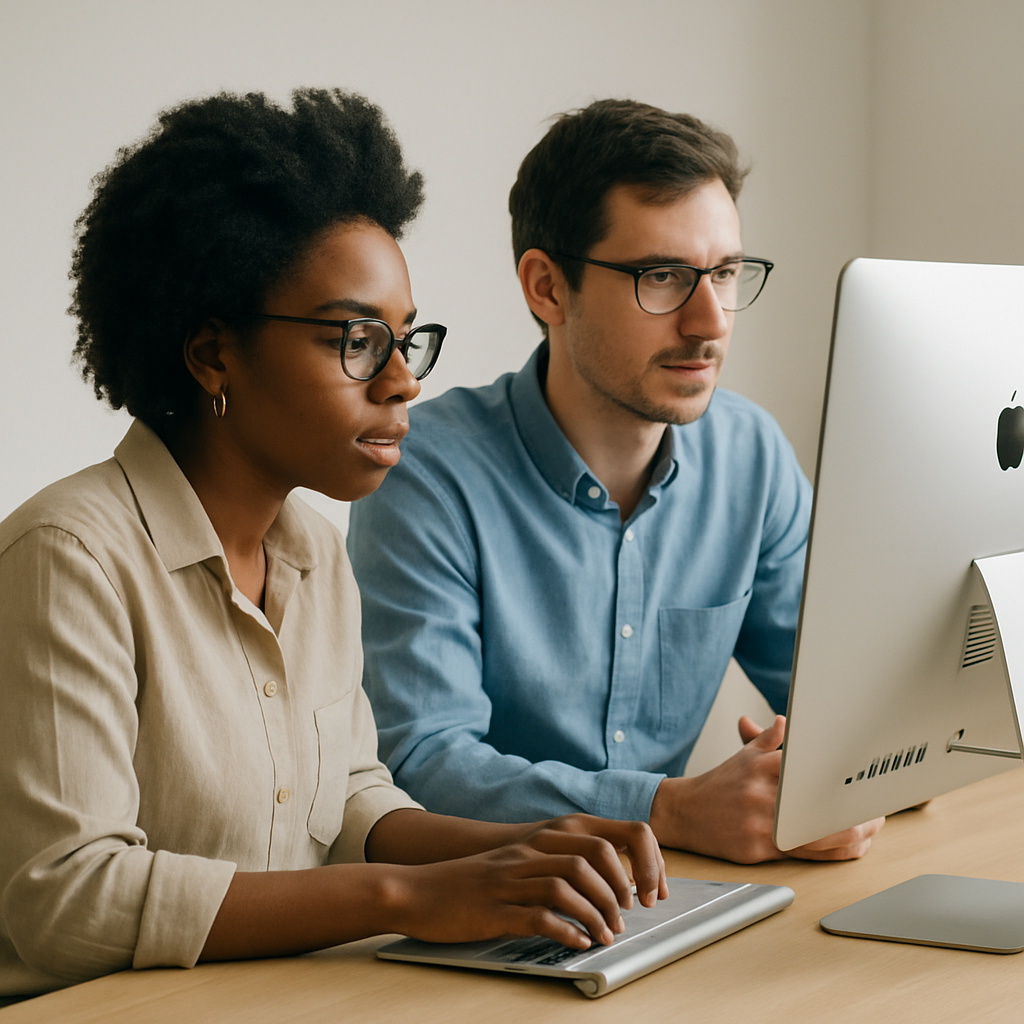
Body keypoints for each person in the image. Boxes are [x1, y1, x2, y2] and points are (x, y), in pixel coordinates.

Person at [0, 89, 667, 1002]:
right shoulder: (67, 558)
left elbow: (348, 799)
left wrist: (526, 850)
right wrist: (413, 897)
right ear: (210, 353)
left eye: (406, 341)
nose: (402, 383)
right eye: (356, 340)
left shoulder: (313, 551)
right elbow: (69, 898)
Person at [347, 98, 884, 864]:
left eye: (725, 273)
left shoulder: (750, 456)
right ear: (547, 288)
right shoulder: (428, 474)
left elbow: (848, 705)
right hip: (494, 914)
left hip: (670, 898)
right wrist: (669, 809)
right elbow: (422, 765)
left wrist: (839, 776)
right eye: (662, 276)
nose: (710, 321)